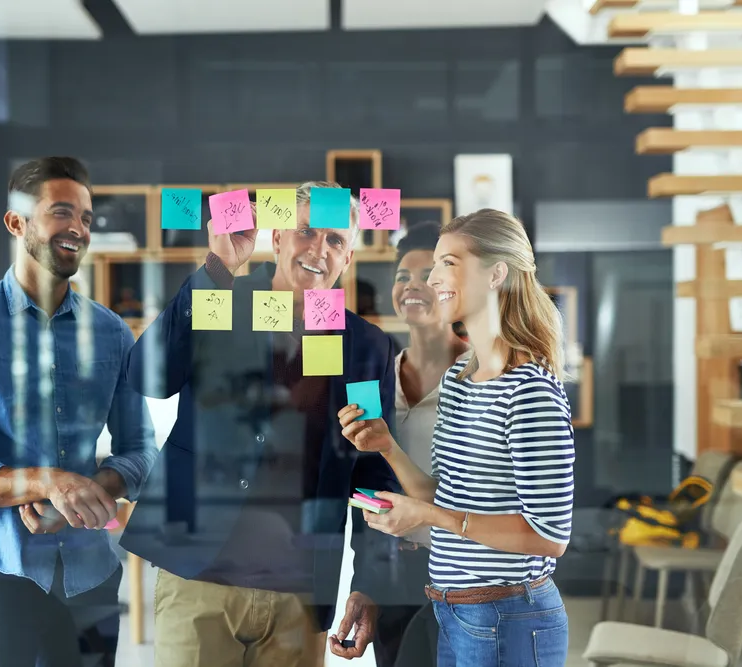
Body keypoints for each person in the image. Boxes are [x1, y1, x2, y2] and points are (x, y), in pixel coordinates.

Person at [120, 181, 400, 667]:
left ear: (348, 257)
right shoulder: (221, 301)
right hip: (200, 572)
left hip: (299, 592)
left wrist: (370, 582)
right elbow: (148, 376)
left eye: (335, 240)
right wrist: (218, 267)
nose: (319, 249)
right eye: (307, 232)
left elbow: (372, 471)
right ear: (278, 240)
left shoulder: (365, 348)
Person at [0, 157, 157, 667]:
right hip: (0, 577)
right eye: (61, 212)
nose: (78, 228)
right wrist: (47, 482)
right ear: (17, 222)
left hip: (92, 576)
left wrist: (85, 496)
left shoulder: (113, 334)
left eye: (87, 218)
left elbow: (141, 450)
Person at [338, 208, 574, 667]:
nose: (432, 277)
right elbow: (442, 493)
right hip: (455, 609)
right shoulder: (460, 381)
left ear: (496, 274)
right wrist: (388, 447)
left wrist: (427, 515)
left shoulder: (530, 390)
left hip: (510, 615)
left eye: (448, 262)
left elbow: (550, 536)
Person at [371, 221, 470, 667]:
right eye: (401, 277)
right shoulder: (377, 378)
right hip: (396, 570)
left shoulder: (483, 374)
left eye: (427, 274)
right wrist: (367, 583)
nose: (412, 286)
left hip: (469, 571)